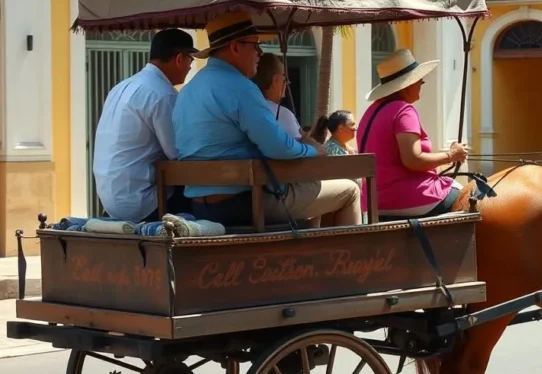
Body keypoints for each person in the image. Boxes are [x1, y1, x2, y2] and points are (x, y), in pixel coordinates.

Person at [172, 11, 361, 227]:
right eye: (255, 46)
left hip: (200, 205)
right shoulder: (242, 89)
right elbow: (279, 148)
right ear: (235, 47)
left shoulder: (187, 91)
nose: (260, 53)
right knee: (350, 190)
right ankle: (348, 260)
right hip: (247, 202)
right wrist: (315, 150)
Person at [92, 28, 196, 222]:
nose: (190, 67)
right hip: (143, 202)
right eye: (191, 60)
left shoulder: (121, 87)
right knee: (208, 201)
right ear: (180, 59)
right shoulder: (162, 94)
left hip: (111, 201)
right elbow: (178, 152)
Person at [356, 48, 468, 220]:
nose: (421, 82)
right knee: (472, 199)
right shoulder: (404, 110)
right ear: (407, 84)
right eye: (419, 80)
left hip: (375, 201)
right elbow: (413, 160)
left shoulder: (371, 112)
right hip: (409, 197)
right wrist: (451, 155)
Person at [251, 52, 304, 141]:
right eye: (285, 77)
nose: (287, 83)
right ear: (275, 81)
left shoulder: (243, 110)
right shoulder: (283, 115)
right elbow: (300, 150)